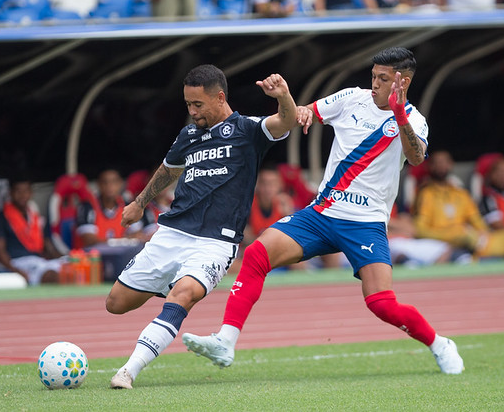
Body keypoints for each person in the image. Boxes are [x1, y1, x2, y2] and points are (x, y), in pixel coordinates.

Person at [182, 47, 465, 376]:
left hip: (366, 224)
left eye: (383, 79)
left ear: (403, 81)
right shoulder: (351, 98)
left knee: (381, 303)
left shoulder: (414, 119)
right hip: (321, 214)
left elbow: (416, 158)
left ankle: (439, 343)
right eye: (373, 76)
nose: (374, 84)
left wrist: (399, 114)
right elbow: (308, 113)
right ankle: (225, 341)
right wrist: (289, 102)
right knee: (258, 253)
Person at [106, 65, 298, 389]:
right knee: (116, 303)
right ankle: (172, 283)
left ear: (219, 98)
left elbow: (286, 121)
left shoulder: (248, 129)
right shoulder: (188, 135)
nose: (192, 112)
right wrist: (139, 203)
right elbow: (167, 171)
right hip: (172, 233)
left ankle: (128, 370)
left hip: (215, 242)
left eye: (198, 105)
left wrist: (284, 98)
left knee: (183, 295)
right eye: (188, 105)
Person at [413, 150, 487, 257]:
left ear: (451, 165)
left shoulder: (461, 194)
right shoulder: (425, 194)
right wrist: (451, 236)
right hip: (437, 245)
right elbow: (420, 229)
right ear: (430, 166)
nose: (441, 166)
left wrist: (482, 233)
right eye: (437, 163)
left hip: (468, 242)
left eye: (445, 162)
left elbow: (478, 222)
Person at [0, 177, 64, 285]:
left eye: (26, 191)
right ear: (10, 193)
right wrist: (15, 271)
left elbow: (46, 244)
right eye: (18, 191)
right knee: (53, 276)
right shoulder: (0, 218)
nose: (22, 195)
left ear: (31, 193)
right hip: (19, 263)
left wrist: (63, 258)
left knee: (71, 268)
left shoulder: (34, 216)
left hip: (39, 261)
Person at [75, 168, 142, 245]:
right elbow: (90, 241)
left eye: (114, 182)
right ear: (98, 184)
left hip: (121, 255)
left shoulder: (128, 206)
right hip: (92, 256)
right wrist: (125, 239)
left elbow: (138, 235)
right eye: (105, 182)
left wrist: (122, 240)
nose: (109, 186)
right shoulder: (87, 206)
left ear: (120, 183)